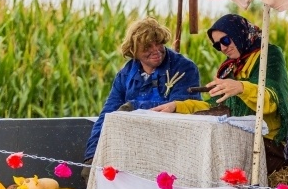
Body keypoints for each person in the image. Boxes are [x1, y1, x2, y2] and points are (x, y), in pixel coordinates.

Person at [152, 14, 288, 173]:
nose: (223, 48)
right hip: (235, 139)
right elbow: (214, 107)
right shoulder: (229, 67)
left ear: (239, 33)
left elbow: (272, 101)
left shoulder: (269, 54)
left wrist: (241, 87)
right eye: (218, 45)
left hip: (266, 143)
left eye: (225, 41)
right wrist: (177, 106)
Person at [83, 17, 200, 175]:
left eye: (158, 43)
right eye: (147, 47)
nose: (156, 50)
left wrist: (134, 107)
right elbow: (107, 116)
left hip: (173, 152)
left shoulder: (184, 68)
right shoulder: (124, 75)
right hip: (132, 151)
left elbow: (178, 109)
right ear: (134, 51)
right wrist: (91, 157)